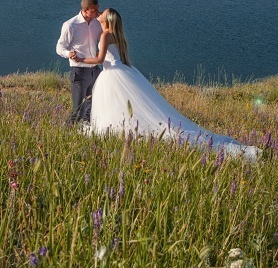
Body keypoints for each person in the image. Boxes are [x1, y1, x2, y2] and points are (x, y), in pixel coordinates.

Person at [78, 8, 259, 162]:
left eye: (104, 12)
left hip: (111, 74)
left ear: (107, 20)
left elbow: (100, 59)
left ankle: (115, 132)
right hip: (123, 71)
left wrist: (80, 59)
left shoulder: (105, 35)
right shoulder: (117, 35)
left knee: (114, 106)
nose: (101, 12)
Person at [56, 0, 103, 125]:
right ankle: (66, 134)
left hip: (95, 70)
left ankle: (85, 135)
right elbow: (59, 47)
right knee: (78, 110)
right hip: (79, 71)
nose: (98, 11)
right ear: (85, 10)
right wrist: (68, 53)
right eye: (95, 10)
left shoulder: (97, 23)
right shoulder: (70, 25)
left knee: (92, 109)